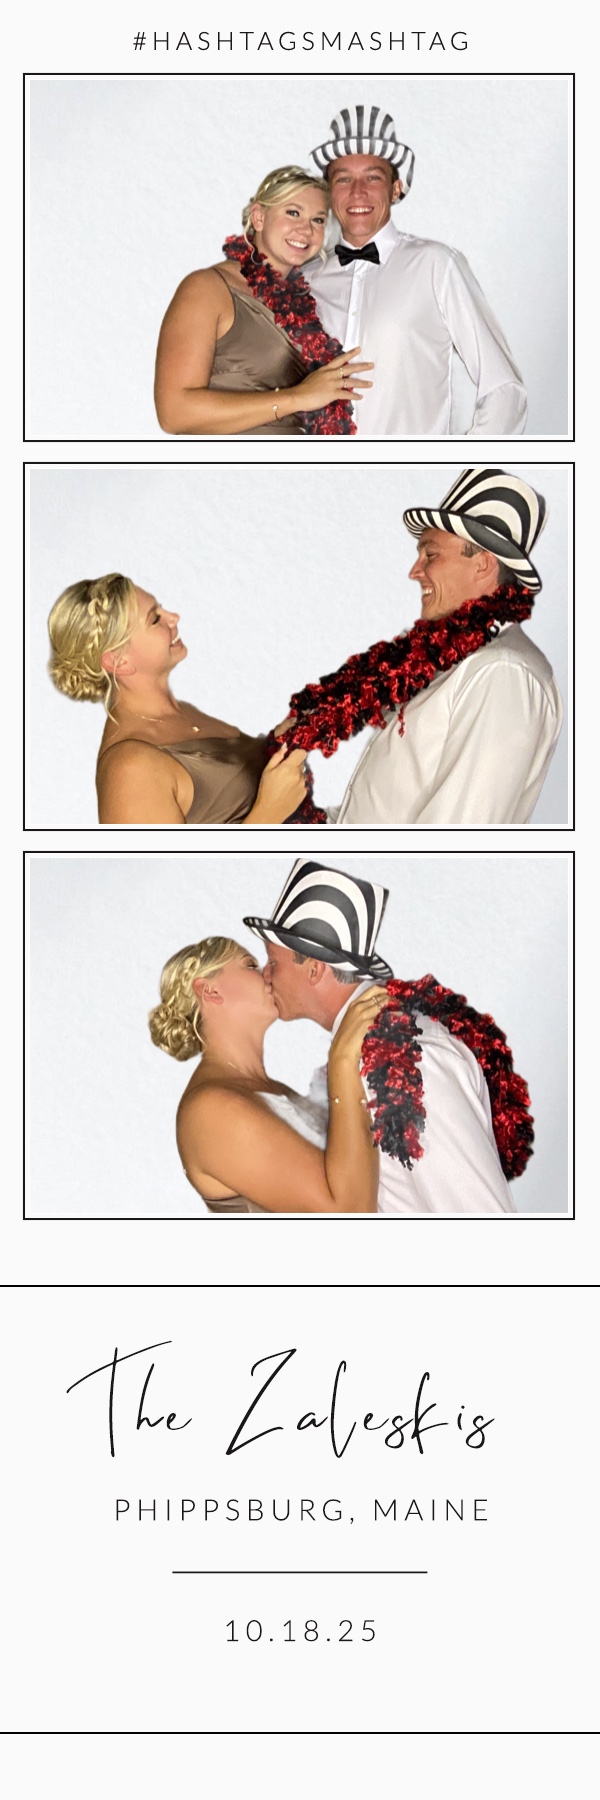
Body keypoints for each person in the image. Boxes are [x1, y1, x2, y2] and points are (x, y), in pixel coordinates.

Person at [244, 858, 532, 1216]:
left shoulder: (406, 1063)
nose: (266, 975)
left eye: (273, 961)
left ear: (314, 968)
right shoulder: (369, 1055)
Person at [286, 469, 563, 826]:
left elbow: (458, 837)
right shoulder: (454, 659)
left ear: (482, 564)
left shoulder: (503, 673)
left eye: (431, 554)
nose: (415, 571)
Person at [306, 105, 527, 437]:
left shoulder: (436, 264)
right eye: (343, 179)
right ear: (329, 192)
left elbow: (504, 389)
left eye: (373, 177)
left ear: (395, 188)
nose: (357, 191)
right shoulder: (305, 279)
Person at [148, 936, 387, 1213]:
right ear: (210, 991)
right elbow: (349, 1215)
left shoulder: (269, 1091)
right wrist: (343, 1061)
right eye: (251, 965)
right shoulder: (211, 1110)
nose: (269, 974)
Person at [47, 572, 308, 825]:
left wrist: (275, 744)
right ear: (119, 661)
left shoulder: (182, 711)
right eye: (154, 619)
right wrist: (268, 813)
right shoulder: (128, 770)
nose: (173, 618)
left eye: (161, 609)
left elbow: (225, 797)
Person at [154, 164, 373, 437]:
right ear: (258, 218)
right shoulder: (207, 288)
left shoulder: (307, 305)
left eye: (318, 220)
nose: (306, 230)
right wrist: (297, 397)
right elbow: (174, 414)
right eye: (293, 213)